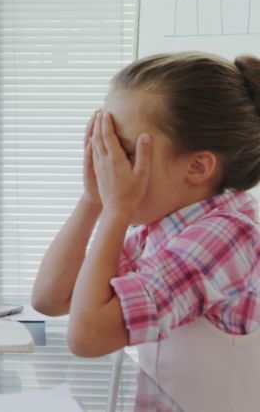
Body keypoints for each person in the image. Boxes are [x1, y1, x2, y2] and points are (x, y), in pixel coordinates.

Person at [31, 52, 260, 359]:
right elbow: (52, 298)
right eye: (104, 148)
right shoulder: (160, 230)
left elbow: (88, 337)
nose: (109, 167)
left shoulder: (228, 234)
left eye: (123, 152)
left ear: (197, 167)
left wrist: (115, 210)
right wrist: (93, 199)